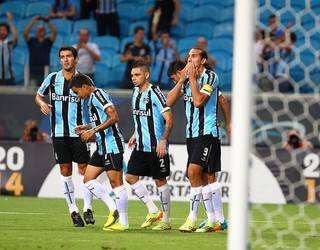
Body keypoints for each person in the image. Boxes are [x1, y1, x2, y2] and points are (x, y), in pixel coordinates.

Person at [166, 48, 226, 233]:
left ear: (203, 60)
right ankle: (216, 219)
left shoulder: (210, 77)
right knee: (202, 176)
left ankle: (192, 218)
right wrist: (183, 80)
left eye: (194, 56)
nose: (189, 59)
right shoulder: (185, 80)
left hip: (207, 132)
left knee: (193, 173)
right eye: (189, 56)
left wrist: (191, 79)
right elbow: (168, 102)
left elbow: (199, 101)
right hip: (191, 133)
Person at [35, 46, 94, 227]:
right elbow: (38, 95)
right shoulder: (52, 79)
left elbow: (95, 102)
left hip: (80, 133)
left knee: (85, 171)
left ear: (76, 59)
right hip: (59, 134)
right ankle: (73, 211)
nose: (66, 60)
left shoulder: (84, 80)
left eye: (69, 56)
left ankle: (88, 208)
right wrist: (41, 104)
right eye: (62, 57)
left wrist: (91, 126)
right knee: (65, 171)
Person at [69, 73, 129, 231]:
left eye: (77, 92)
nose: (77, 95)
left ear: (85, 87)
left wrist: (93, 130)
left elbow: (114, 117)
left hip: (112, 144)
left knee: (116, 183)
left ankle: (123, 222)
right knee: (88, 180)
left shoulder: (98, 95)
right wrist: (86, 127)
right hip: (102, 146)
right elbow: (102, 118)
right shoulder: (93, 98)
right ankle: (113, 209)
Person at [125, 61, 174, 230]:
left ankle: (166, 221)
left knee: (160, 180)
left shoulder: (154, 93)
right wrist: (135, 134)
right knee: (130, 177)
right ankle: (153, 210)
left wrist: (162, 141)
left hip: (156, 147)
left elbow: (170, 119)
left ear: (147, 75)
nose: (133, 78)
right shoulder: (134, 92)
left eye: (137, 75)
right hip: (140, 146)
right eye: (132, 75)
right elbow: (141, 118)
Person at [23, 16, 57, 86]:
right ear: (35, 32)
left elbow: (54, 32)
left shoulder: (48, 41)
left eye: (42, 29)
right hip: (33, 69)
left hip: (45, 69)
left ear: (45, 32)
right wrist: (32, 22)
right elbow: (25, 34)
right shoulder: (31, 41)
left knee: (45, 89)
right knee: (31, 89)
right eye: (39, 29)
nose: (40, 30)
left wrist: (48, 21)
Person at [150, 9, 179, 90]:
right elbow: (153, 32)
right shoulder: (158, 47)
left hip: (166, 81)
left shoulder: (172, 50)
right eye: (164, 36)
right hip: (154, 80)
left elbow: (178, 60)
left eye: (167, 36)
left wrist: (173, 47)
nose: (165, 38)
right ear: (161, 38)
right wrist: (156, 17)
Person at [0, 12, 17, 86]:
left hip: (9, 76)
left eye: (4, 30)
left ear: (7, 32)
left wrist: (10, 20)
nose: (2, 32)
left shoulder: (9, 43)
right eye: (0, 30)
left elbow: (15, 38)